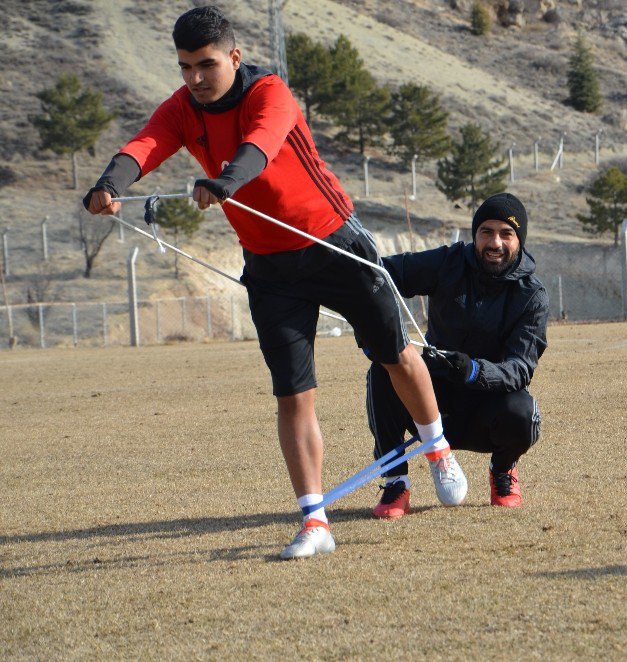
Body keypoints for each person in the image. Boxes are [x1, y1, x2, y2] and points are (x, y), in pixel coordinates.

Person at [82, 6, 467, 559]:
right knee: (292, 393)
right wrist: (108, 184)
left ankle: (437, 450)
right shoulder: (182, 108)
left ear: (233, 57)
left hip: (335, 244)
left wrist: (225, 181)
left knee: (394, 355)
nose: (194, 78)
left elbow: (259, 146)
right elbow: (145, 144)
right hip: (270, 268)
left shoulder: (270, 92)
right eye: (185, 66)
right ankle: (315, 522)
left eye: (206, 65)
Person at [366, 193, 548, 519]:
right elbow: (380, 274)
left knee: (523, 412)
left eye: (506, 234)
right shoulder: (448, 262)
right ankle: (396, 483)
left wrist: (475, 370)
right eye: (486, 232)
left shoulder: (531, 296)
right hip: (431, 403)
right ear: (474, 235)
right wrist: (372, 329)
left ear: (519, 240)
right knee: (383, 370)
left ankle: (503, 470)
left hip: (486, 409)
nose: (494, 242)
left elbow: (520, 368)